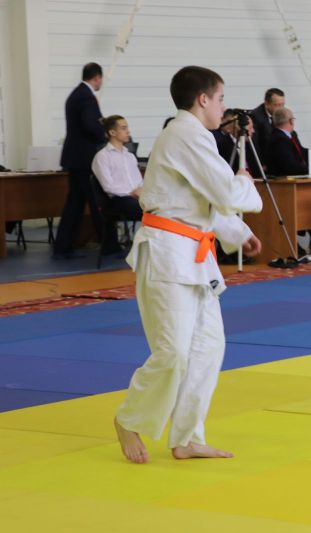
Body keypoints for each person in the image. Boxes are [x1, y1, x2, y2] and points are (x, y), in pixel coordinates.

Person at [113, 66, 263, 464]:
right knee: (174, 352)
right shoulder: (184, 134)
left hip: (195, 255)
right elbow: (225, 191)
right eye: (220, 99)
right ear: (203, 99)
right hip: (167, 255)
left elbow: (199, 201)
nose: (223, 107)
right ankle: (128, 418)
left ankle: (187, 437)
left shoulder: (195, 136)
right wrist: (245, 182)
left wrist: (236, 232)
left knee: (208, 348)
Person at [53, 62, 107, 259]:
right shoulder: (86, 97)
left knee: (75, 203)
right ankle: (108, 243)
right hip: (85, 158)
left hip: (75, 157)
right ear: (97, 77)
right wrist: (106, 133)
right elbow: (90, 125)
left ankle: (63, 245)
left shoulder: (75, 94)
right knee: (96, 200)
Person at [91, 115, 144, 252]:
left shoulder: (130, 156)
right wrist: (131, 193)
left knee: (160, 206)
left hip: (134, 197)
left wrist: (140, 190)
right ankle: (145, 247)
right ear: (112, 132)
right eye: (124, 128)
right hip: (117, 200)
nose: (128, 131)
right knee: (148, 209)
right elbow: (108, 186)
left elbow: (139, 181)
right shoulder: (102, 156)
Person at [265, 107, 308, 176]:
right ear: (291, 121)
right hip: (283, 179)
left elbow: (300, 151)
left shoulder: (292, 135)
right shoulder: (279, 139)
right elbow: (290, 166)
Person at [215, 109, 261, 173]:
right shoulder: (222, 145)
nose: (253, 131)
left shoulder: (249, 145)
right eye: (250, 128)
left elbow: (256, 170)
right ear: (238, 127)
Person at [250, 88, 285, 163]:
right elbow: (254, 145)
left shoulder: (281, 114)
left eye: (283, 105)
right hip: (263, 162)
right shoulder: (255, 116)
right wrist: (261, 164)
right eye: (277, 105)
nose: (281, 109)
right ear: (267, 104)